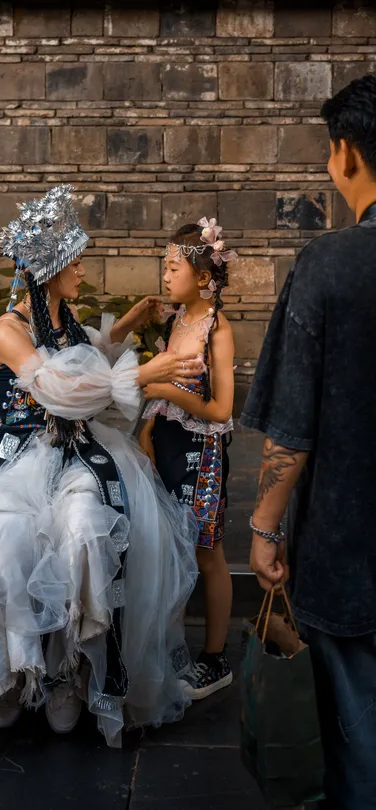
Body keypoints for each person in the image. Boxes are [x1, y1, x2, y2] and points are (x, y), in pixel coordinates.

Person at [0, 184, 202, 748]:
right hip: (17, 456)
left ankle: (74, 671)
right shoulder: (8, 330)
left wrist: (121, 332)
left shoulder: (63, 319)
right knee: (3, 539)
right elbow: (65, 387)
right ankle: (14, 675)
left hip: (74, 454)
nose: (82, 268)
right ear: (49, 269)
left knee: (87, 528)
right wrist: (147, 371)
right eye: (75, 260)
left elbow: (84, 353)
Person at [241, 74, 376, 810]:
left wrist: (263, 528)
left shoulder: (328, 266)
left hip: (347, 555)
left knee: (357, 748)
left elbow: (291, 428)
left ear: (345, 154)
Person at [139, 221, 236, 700]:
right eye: (165, 265)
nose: (166, 274)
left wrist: (164, 389)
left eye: (173, 266)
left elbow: (221, 409)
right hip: (168, 445)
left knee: (206, 550)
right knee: (171, 546)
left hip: (203, 451)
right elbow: (160, 398)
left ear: (202, 276)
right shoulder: (175, 321)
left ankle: (216, 658)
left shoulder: (217, 329)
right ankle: (172, 649)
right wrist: (147, 428)